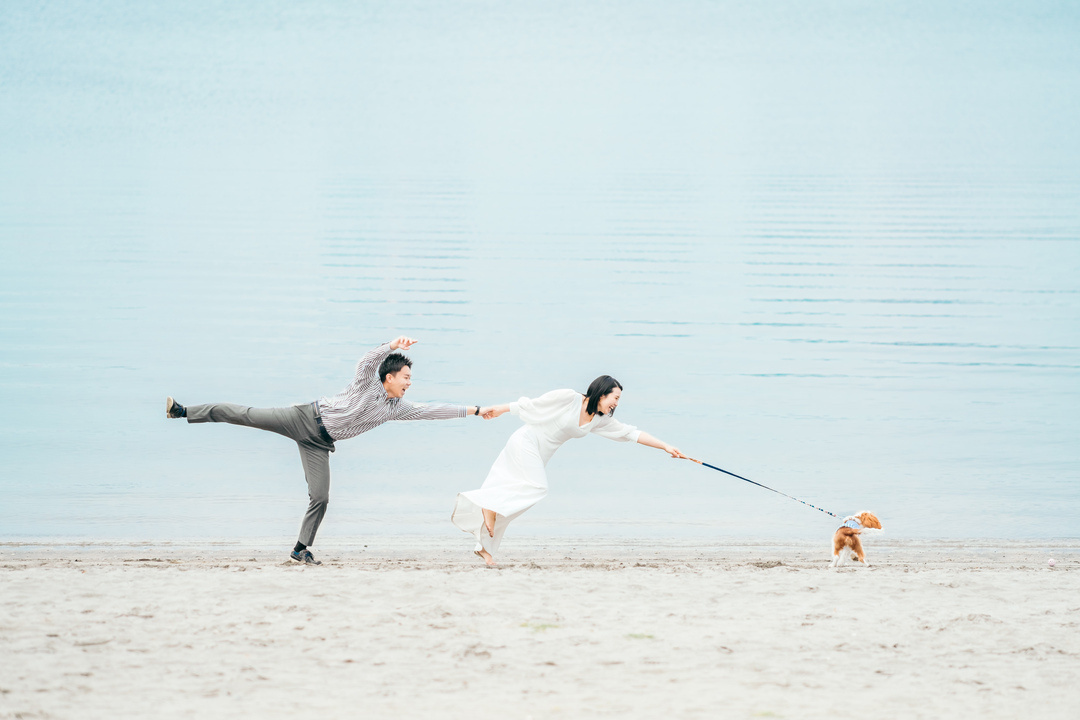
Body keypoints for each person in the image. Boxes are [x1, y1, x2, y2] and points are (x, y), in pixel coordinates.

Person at [166, 336, 493, 565]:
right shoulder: (367, 384)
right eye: (406, 377)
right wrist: (391, 345)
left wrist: (476, 410)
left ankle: (300, 549)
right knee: (245, 415)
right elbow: (366, 362)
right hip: (303, 418)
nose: (409, 383)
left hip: (319, 444)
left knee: (320, 497)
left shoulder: (395, 408)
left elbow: (432, 410)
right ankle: (182, 411)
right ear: (389, 377)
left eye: (410, 379)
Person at [451, 375, 686, 565]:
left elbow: (631, 433)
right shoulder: (569, 398)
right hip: (526, 441)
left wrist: (665, 446)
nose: (616, 403)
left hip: (541, 454)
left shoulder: (599, 419)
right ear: (602, 393)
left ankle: (484, 548)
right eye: (615, 397)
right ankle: (489, 505)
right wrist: (499, 409)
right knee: (537, 488)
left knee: (523, 496)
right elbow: (532, 405)